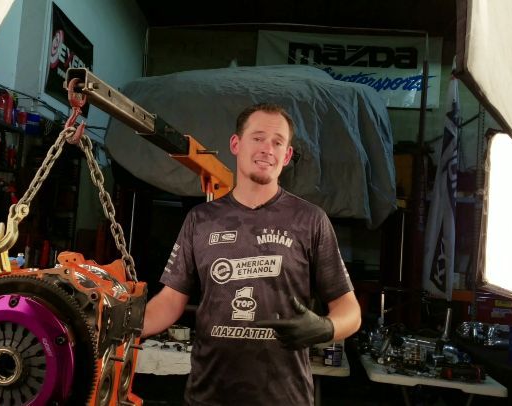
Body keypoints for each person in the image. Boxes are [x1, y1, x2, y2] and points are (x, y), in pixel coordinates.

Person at [141, 103, 361, 405]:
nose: (267, 149)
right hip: (209, 396)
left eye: (277, 142)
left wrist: (326, 327)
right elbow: (169, 301)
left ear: (287, 156)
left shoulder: (310, 220)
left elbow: (350, 310)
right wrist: (126, 327)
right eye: (258, 138)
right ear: (236, 144)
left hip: (284, 398)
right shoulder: (201, 220)